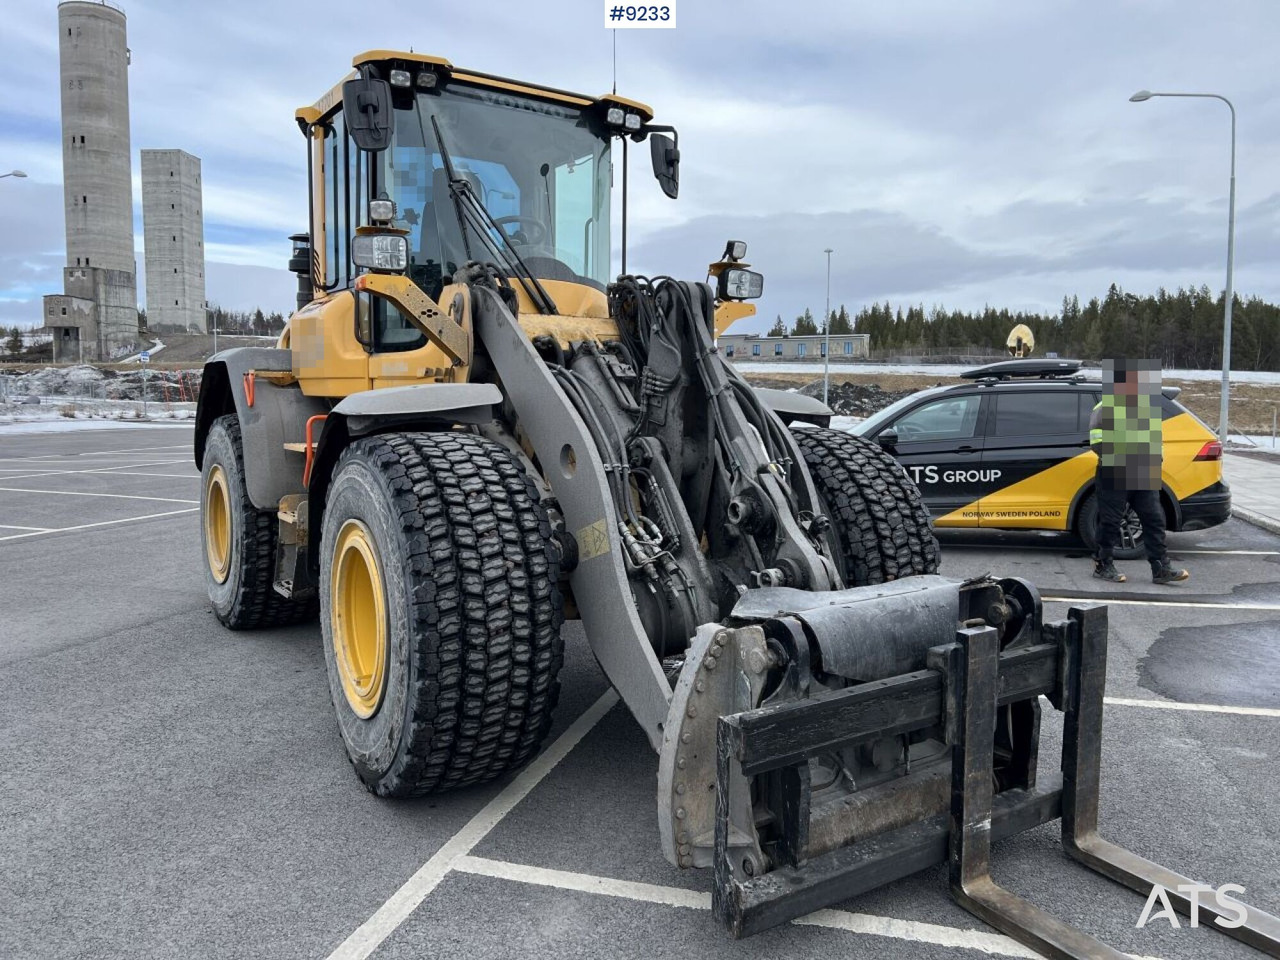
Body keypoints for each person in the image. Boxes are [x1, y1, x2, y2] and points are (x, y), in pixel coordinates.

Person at [1089, 359, 1189, 585]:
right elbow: (1097, 441)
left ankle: (1160, 567)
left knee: (1154, 519)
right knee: (1111, 521)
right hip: (1115, 469)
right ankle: (1103, 564)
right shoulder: (1105, 407)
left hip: (1143, 470)